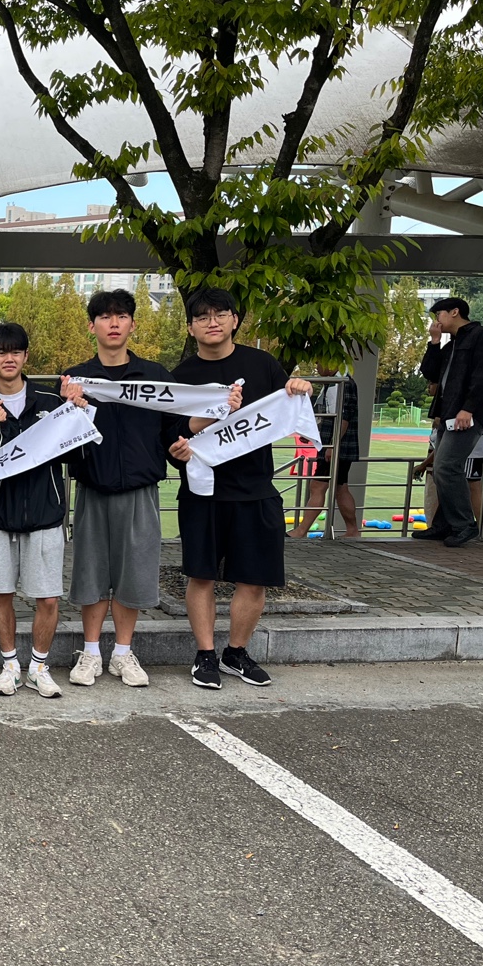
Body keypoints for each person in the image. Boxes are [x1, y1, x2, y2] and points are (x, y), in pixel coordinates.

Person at [169, 288, 311, 690]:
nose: (211, 322)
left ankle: (236, 652)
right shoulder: (180, 377)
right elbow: (170, 436)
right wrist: (184, 442)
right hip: (202, 492)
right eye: (202, 317)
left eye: (220, 314)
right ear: (190, 328)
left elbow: (289, 400)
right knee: (201, 575)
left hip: (256, 489)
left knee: (254, 578)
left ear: (235, 320)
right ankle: (205, 655)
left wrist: (300, 387)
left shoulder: (262, 364)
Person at [65, 289, 182, 688]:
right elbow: (60, 439)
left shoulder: (155, 377)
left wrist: (187, 441)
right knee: (91, 574)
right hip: (93, 489)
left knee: (134, 575)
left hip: (140, 490)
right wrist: (70, 407)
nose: (113, 324)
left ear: (132, 324)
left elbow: (174, 429)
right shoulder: (75, 379)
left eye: (121, 316)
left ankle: (122, 653)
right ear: (91, 326)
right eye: (104, 317)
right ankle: (90, 653)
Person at [0, 322, 84, 699]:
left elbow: (74, 455)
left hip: (45, 514)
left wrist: (76, 414)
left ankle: (38, 666)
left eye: (16, 351)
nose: (9, 358)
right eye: (0, 352)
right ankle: (9, 666)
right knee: (1, 592)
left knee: (48, 597)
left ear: (25, 356)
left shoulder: (51, 402)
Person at [416, 298, 483, 546]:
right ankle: (444, 525)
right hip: (449, 415)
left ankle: (464, 525)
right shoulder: (452, 345)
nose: (436, 320)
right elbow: (430, 373)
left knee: (446, 466)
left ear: (455, 312)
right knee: (442, 468)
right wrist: (434, 343)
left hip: (466, 416)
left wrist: (468, 409)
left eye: (439, 314)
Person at [288, 364, 360, 539]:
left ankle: (301, 531)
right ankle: (352, 530)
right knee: (340, 488)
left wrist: (332, 445)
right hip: (338, 446)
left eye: (319, 363)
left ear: (331, 364)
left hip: (336, 447)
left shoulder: (341, 384)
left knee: (318, 486)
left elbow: (343, 417)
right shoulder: (337, 383)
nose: (317, 367)